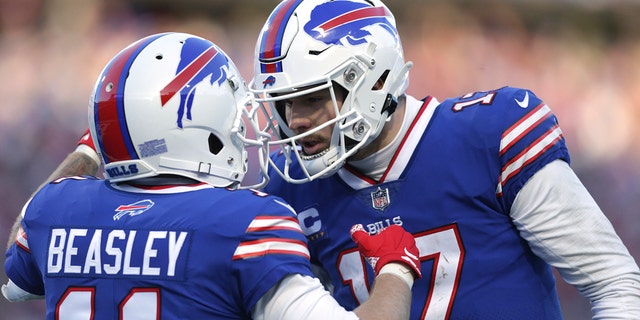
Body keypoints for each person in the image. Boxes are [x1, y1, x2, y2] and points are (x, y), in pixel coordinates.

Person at [248, 0, 640, 319]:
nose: (294, 120)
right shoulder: (289, 191)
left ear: (377, 81)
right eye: (283, 104)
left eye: (314, 98)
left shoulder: (490, 135)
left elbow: (615, 284)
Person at [2, 32, 422, 320]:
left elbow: (18, 271)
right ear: (194, 126)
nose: (243, 130)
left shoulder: (54, 208)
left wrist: (93, 147)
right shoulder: (243, 223)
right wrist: (395, 268)